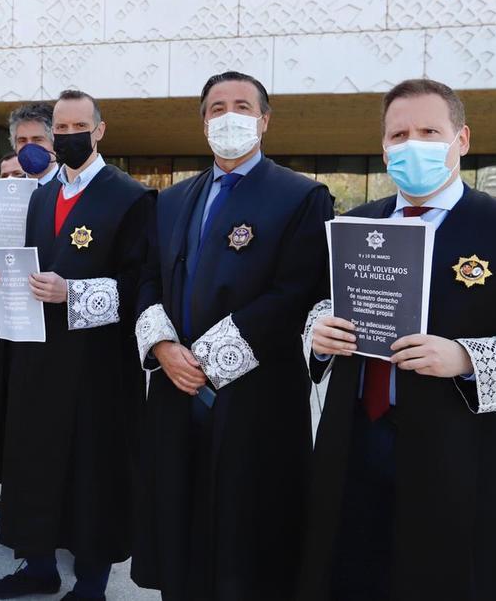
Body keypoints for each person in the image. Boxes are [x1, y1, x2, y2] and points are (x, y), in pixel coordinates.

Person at [299, 79, 496, 600]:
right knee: (352, 572)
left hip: (465, 452)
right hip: (354, 441)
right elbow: (320, 304)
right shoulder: (354, 224)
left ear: (461, 139)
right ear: (383, 148)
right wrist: (319, 331)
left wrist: (468, 357)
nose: (411, 144)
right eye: (398, 134)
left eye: (429, 131)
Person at [131, 72, 334, 600]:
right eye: (216, 108)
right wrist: (162, 348)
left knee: (248, 532)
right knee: (179, 518)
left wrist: (206, 359)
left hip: (256, 395)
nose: (228, 116)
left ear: (264, 120)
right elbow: (148, 276)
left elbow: (297, 291)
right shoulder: (172, 200)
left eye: (242, 105)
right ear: (203, 123)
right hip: (175, 389)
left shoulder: (302, 197)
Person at [0, 90, 155, 601]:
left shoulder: (130, 197)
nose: (70, 135)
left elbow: (143, 285)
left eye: (81, 125)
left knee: (91, 467)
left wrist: (73, 292)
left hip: (96, 364)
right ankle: (38, 566)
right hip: (36, 353)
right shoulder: (41, 197)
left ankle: (92, 581)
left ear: (100, 130)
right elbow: (26, 261)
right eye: (63, 127)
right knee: (35, 459)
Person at [0, 102, 61, 512]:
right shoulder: (5, 197)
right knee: (9, 405)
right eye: (21, 141)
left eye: (37, 140)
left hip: (53, 323)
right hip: (7, 318)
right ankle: (13, 483)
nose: (29, 150)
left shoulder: (67, 190)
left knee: (45, 412)